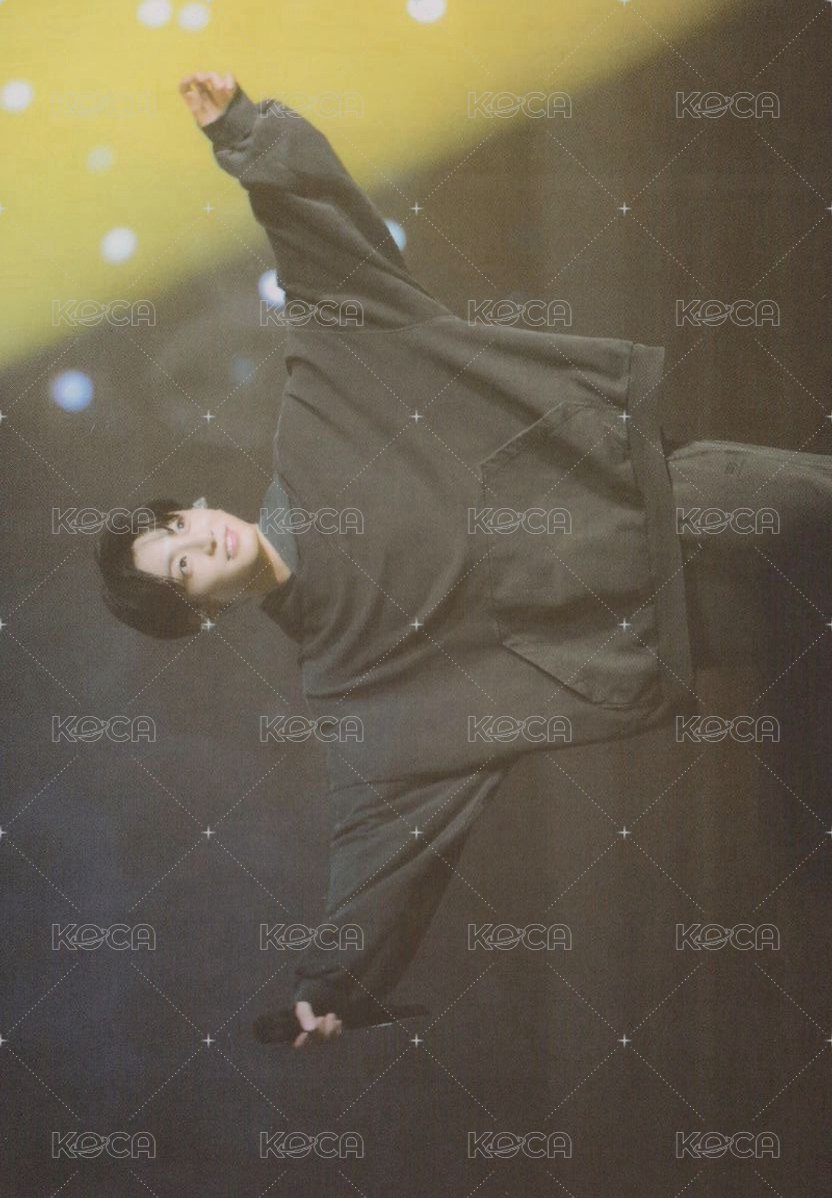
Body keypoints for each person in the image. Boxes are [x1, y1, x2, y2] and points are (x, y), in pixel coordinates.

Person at [95, 73, 832, 1048]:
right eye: (183, 569)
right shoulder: (358, 687)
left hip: (680, 491)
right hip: (688, 621)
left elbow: (326, 251)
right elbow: (380, 846)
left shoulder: (320, 410)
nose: (203, 543)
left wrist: (245, 136)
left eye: (180, 528)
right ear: (199, 614)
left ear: (194, 506)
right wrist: (334, 985)